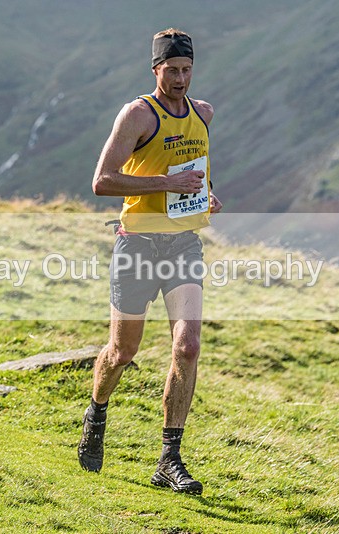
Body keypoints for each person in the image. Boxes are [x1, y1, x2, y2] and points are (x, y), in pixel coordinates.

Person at [78, 28, 222, 494]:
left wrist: (205, 197)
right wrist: (163, 184)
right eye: (171, 70)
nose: (180, 79)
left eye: (187, 70)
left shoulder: (203, 114)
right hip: (137, 244)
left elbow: (191, 177)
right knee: (123, 353)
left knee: (188, 347)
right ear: (155, 70)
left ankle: (169, 459)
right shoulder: (138, 114)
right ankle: (97, 411)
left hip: (182, 244)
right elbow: (102, 181)